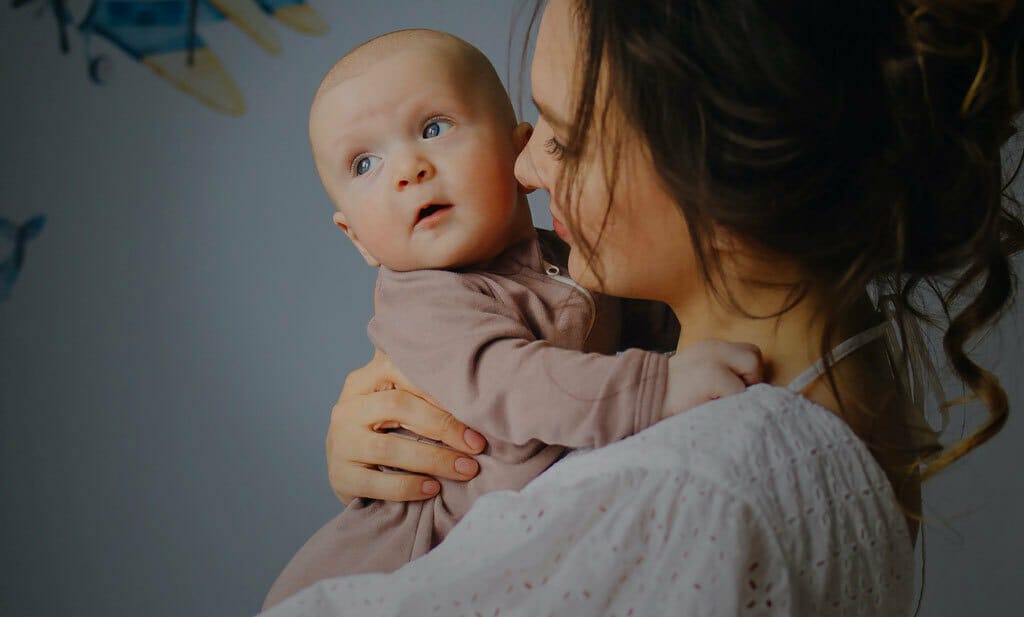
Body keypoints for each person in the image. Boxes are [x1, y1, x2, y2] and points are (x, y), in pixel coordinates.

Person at [259, 0, 1024, 614]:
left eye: (562, 137)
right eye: (365, 162)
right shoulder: (847, 367)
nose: (524, 166)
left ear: (709, 164)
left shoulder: (689, 497)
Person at [262, 28, 766, 609]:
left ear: (518, 152)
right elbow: (519, 386)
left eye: (433, 128)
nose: (407, 169)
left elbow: (644, 324)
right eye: (365, 163)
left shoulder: (567, 256)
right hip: (401, 569)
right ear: (357, 239)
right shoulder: (425, 302)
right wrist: (661, 386)